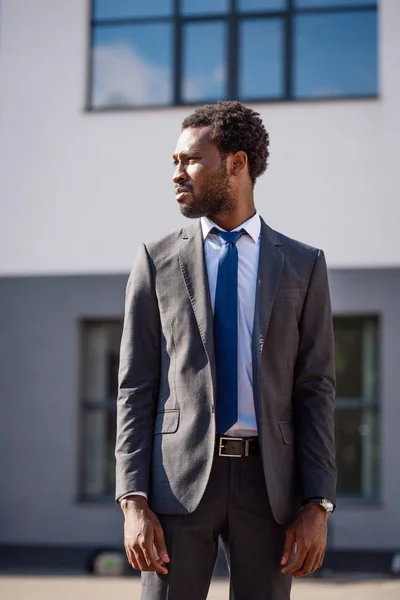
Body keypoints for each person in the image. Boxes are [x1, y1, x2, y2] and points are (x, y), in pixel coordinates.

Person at [115, 101, 336, 600]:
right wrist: (133, 500)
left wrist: (317, 502)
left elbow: (315, 388)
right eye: (174, 162)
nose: (177, 174)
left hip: (270, 486)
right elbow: (136, 387)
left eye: (191, 160)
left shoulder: (303, 265)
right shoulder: (156, 260)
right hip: (177, 485)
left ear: (236, 164)